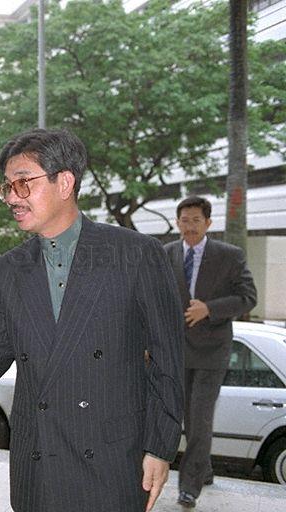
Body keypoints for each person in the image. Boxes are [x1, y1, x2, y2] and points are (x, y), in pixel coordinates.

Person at [0, 128, 185, 512]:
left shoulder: (135, 254)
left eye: (23, 183)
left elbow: (169, 360)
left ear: (65, 182)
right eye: (7, 187)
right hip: (38, 460)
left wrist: (159, 447)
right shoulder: (9, 268)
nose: (12, 197)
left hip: (114, 460)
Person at [163, 196, 257, 509]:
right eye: (184, 220)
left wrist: (210, 309)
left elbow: (247, 297)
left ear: (208, 224)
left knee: (199, 420)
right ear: (177, 223)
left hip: (211, 353)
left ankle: (188, 488)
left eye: (195, 221)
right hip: (176, 352)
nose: (189, 226)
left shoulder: (229, 256)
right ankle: (204, 469)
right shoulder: (167, 254)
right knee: (183, 419)